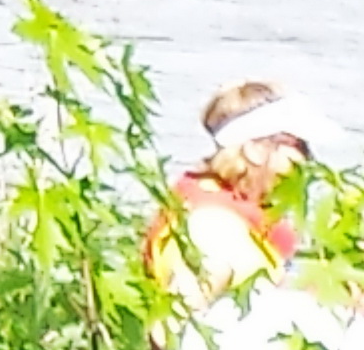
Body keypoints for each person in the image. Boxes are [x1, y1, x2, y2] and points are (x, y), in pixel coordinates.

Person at [143, 82, 335, 310]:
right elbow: (173, 322)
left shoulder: (242, 209)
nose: (308, 161)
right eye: (299, 147)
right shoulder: (213, 226)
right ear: (255, 148)